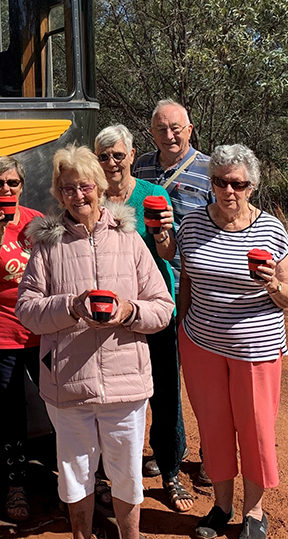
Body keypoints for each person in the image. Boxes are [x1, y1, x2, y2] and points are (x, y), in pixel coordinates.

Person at [16, 144, 174, 539]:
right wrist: (71, 307)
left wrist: (128, 313)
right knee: (75, 475)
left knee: (126, 474)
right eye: (68, 188)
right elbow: (27, 310)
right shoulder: (47, 246)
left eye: (85, 186)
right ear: (58, 193)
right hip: (68, 383)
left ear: (100, 187)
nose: (78, 196)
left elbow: (163, 306)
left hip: (125, 383)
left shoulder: (131, 240)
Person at [177, 144, 288, 539]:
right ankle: (222, 507)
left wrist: (273, 284)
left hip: (255, 350)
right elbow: (188, 284)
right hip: (202, 345)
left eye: (238, 184)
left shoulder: (271, 230)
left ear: (252, 187)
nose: (229, 191)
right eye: (220, 181)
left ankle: (255, 512)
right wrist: (182, 330)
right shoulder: (192, 224)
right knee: (213, 426)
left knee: (256, 429)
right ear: (211, 182)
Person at [95, 125, 193, 512]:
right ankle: (106, 475)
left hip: (152, 305)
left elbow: (168, 253)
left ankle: (170, 469)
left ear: (133, 155)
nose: (112, 163)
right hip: (108, 311)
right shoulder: (91, 196)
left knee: (165, 389)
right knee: (112, 393)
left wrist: (166, 232)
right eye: (104, 157)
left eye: (118, 155)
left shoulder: (153, 195)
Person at [133, 98, 213, 484]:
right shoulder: (141, 167)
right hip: (154, 285)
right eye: (162, 129)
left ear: (190, 128)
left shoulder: (211, 170)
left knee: (202, 375)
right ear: (152, 134)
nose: (170, 135)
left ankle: (212, 454)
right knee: (163, 373)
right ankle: (169, 449)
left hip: (197, 286)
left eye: (177, 128)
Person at [0, 155, 44, 522]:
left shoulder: (36, 221)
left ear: (21, 185)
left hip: (40, 332)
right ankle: (16, 485)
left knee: (61, 405)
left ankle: (87, 479)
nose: (6, 190)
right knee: (10, 414)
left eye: (12, 183)